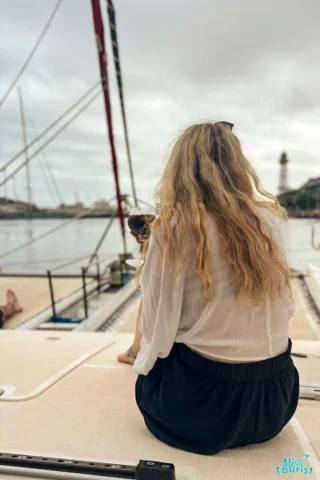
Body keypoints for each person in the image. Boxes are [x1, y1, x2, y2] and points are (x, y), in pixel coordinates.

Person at [118, 121, 298, 455]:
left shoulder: (171, 227)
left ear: (180, 169)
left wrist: (138, 359)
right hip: (275, 404)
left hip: (198, 412)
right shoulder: (269, 222)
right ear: (238, 166)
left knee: (152, 368)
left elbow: (158, 329)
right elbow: (286, 307)